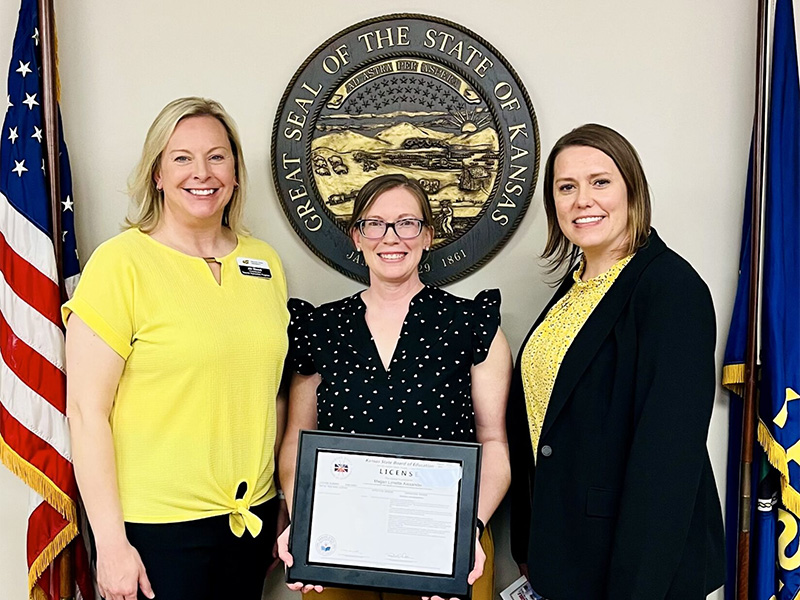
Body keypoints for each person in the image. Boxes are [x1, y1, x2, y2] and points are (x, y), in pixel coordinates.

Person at [64, 97, 289, 600]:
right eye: (182, 157)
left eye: (217, 156)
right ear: (157, 174)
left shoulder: (264, 261)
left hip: (247, 522)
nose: (202, 172)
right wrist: (112, 544)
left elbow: (269, 392)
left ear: (234, 172)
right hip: (156, 530)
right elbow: (86, 412)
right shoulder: (121, 264)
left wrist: (277, 506)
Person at [506, 124, 725, 599]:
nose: (582, 199)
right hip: (564, 553)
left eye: (600, 181)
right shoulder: (576, 287)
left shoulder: (671, 290)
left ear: (632, 189)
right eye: (567, 187)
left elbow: (667, 459)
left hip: (633, 568)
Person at [278, 174, 512, 600]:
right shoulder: (320, 328)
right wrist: (304, 520)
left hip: (445, 550)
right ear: (357, 236)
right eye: (375, 223)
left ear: (428, 235)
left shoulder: (473, 325)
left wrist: (466, 533)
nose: (391, 237)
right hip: (340, 550)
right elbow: (296, 439)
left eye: (407, 223)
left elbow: (493, 441)